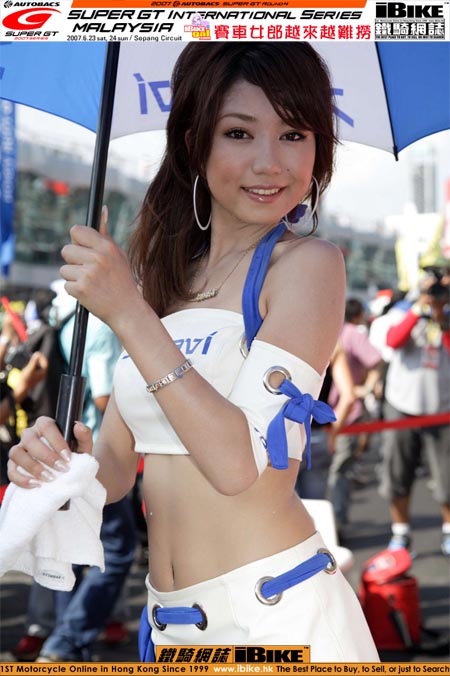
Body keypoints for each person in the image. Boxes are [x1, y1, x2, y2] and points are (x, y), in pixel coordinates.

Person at [7, 44, 378, 661]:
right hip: (171, 628)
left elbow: (240, 468)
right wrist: (60, 461)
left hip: (275, 622)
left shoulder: (308, 266)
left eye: (293, 134)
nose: (269, 162)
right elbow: (118, 465)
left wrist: (128, 311)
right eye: (239, 133)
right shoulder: (167, 278)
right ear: (193, 143)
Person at [12, 286, 136, 662]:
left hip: (58, 444)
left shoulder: (64, 312)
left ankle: (62, 640)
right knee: (115, 551)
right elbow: (103, 397)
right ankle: (66, 640)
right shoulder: (101, 324)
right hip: (95, 452)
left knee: (66, 550)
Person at [378, 270, 450, 557]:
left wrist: (440, 316)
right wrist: (420, 307)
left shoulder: (445, 314)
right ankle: (400, 533)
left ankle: (448, 531)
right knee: (397, 473)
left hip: (441, 410)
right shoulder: (403, 311)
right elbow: (393, 340)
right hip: (402, 406)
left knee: (446, 477)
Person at [326, 298, 382, 533]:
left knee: (337, 472)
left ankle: (336, 522)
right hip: (323, 419)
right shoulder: (319, 331)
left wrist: (365, 388)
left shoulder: (348, 334)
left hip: (342, 417)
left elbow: (375, 361)